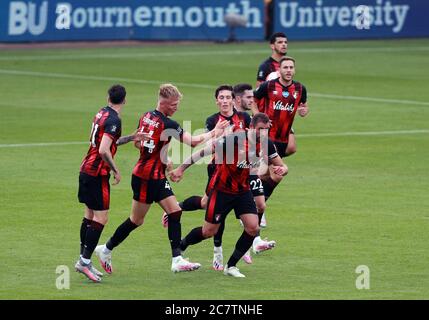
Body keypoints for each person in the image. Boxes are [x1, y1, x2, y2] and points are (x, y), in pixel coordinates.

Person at [94, 84, 229, 274]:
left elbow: (138, 143)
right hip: (147, 178)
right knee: (136, 220)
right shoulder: (169, 124)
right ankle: (106, 249)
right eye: (174, 104)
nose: (176, 108)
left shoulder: (146, 116)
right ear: (164, 103)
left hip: (151, 174)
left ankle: (176, 259)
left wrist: (163, 158)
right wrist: (215, 131)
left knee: (174, 212)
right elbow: (194, 141)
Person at [169, 113, 287, 278]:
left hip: (243, 191)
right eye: (260, 129)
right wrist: (180, 169)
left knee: (253, 228)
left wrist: (282, 169)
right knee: (208, 231)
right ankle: (182, 245)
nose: (263, 133)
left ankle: (231, 266)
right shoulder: (234, 140)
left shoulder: (266, 144)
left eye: (266, 130)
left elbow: (282, 166)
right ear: (250, 127)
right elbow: (202, 152)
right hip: (221, 191)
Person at [76, 84, 147, 283]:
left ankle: (85, 260)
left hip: (85, 170)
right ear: (124, 100)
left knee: (89, 215)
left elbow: (106, 142)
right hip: (97, 174)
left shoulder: (101, 114)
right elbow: (103, 150)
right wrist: (115, 169)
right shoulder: (114, 120)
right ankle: (83, 261)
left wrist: (133, 137)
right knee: (101, 218)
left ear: (109, 97)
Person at [253, 56, 309, 203]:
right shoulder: (268, 86)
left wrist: (304, 110)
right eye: (285, 67)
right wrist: (258, 115)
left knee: (269, 175)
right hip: (267, 137)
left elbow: (304, 105)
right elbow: (253, 99)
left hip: (283, 139)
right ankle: (256, 207)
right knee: (271, 174)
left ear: (294, 70)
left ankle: (255, 203)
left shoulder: (300, 89)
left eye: (291, 67)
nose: (288, 70)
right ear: (280, 70)